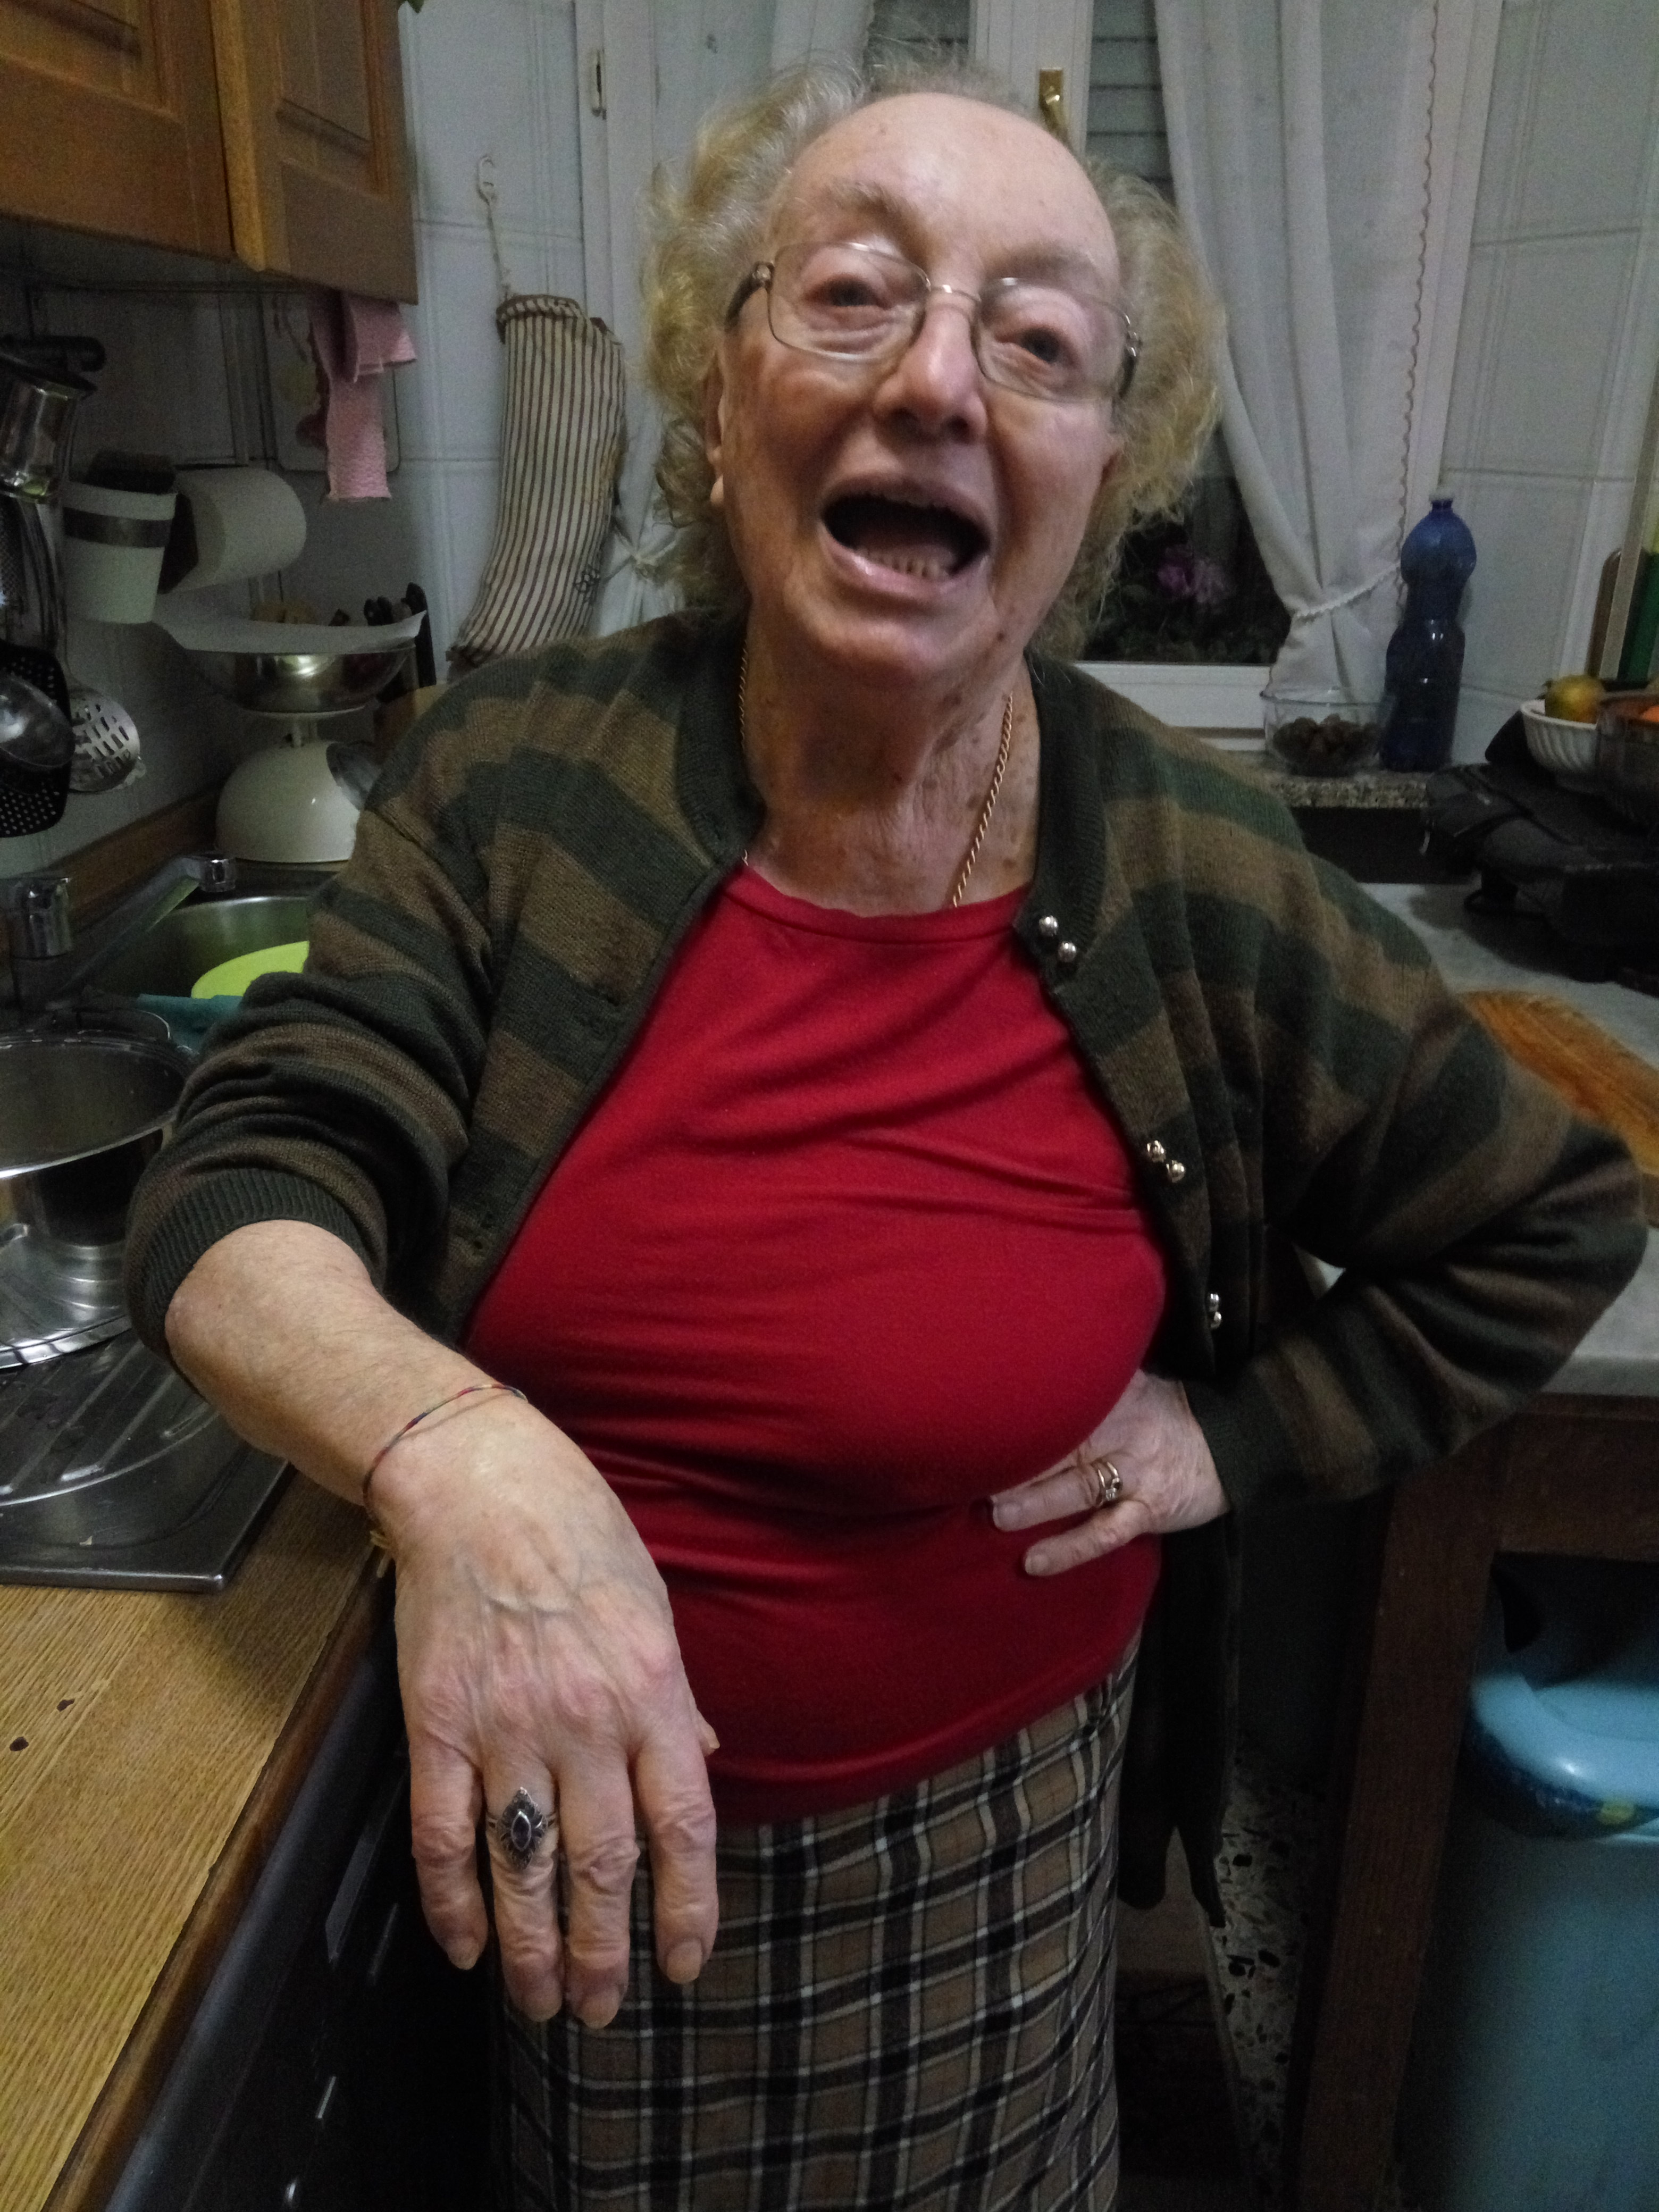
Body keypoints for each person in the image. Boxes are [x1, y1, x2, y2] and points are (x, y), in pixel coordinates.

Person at [126, 58, 1645, 2212]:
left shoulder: (1198, 870)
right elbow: (245, 1176)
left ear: (1100, 471)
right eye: (852, 293)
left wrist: (1237, 1434)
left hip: (985, 1884)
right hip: (556, 1813)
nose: (936, 380)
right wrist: (458, 1455)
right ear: (721, 390)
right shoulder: (510, 774)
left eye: (1038, 342)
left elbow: (1545, 1218)